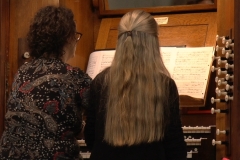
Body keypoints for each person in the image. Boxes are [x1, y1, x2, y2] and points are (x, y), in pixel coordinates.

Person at [84, 10, 187, 160]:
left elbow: (90, 138)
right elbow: (175, 148)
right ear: (153, 43)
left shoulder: (100, 82)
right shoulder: (165, 85)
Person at [0, 5, 91, 160]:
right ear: (67, 38)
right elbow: (99, 122)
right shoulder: (75, 76)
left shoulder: (22, 72)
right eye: (75, 36)